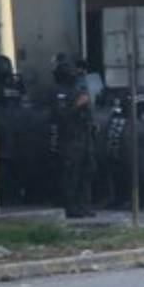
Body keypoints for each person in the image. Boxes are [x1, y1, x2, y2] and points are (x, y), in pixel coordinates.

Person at [49, 56, 95, 219]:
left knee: (87, 171)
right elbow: (60, 117)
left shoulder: (78, 89)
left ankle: (85, 205)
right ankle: (72, 207)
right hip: (69, 139)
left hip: (83, 136)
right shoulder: (60, 93)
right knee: (71, 174)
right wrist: (77, 106)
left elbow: (87, 112)